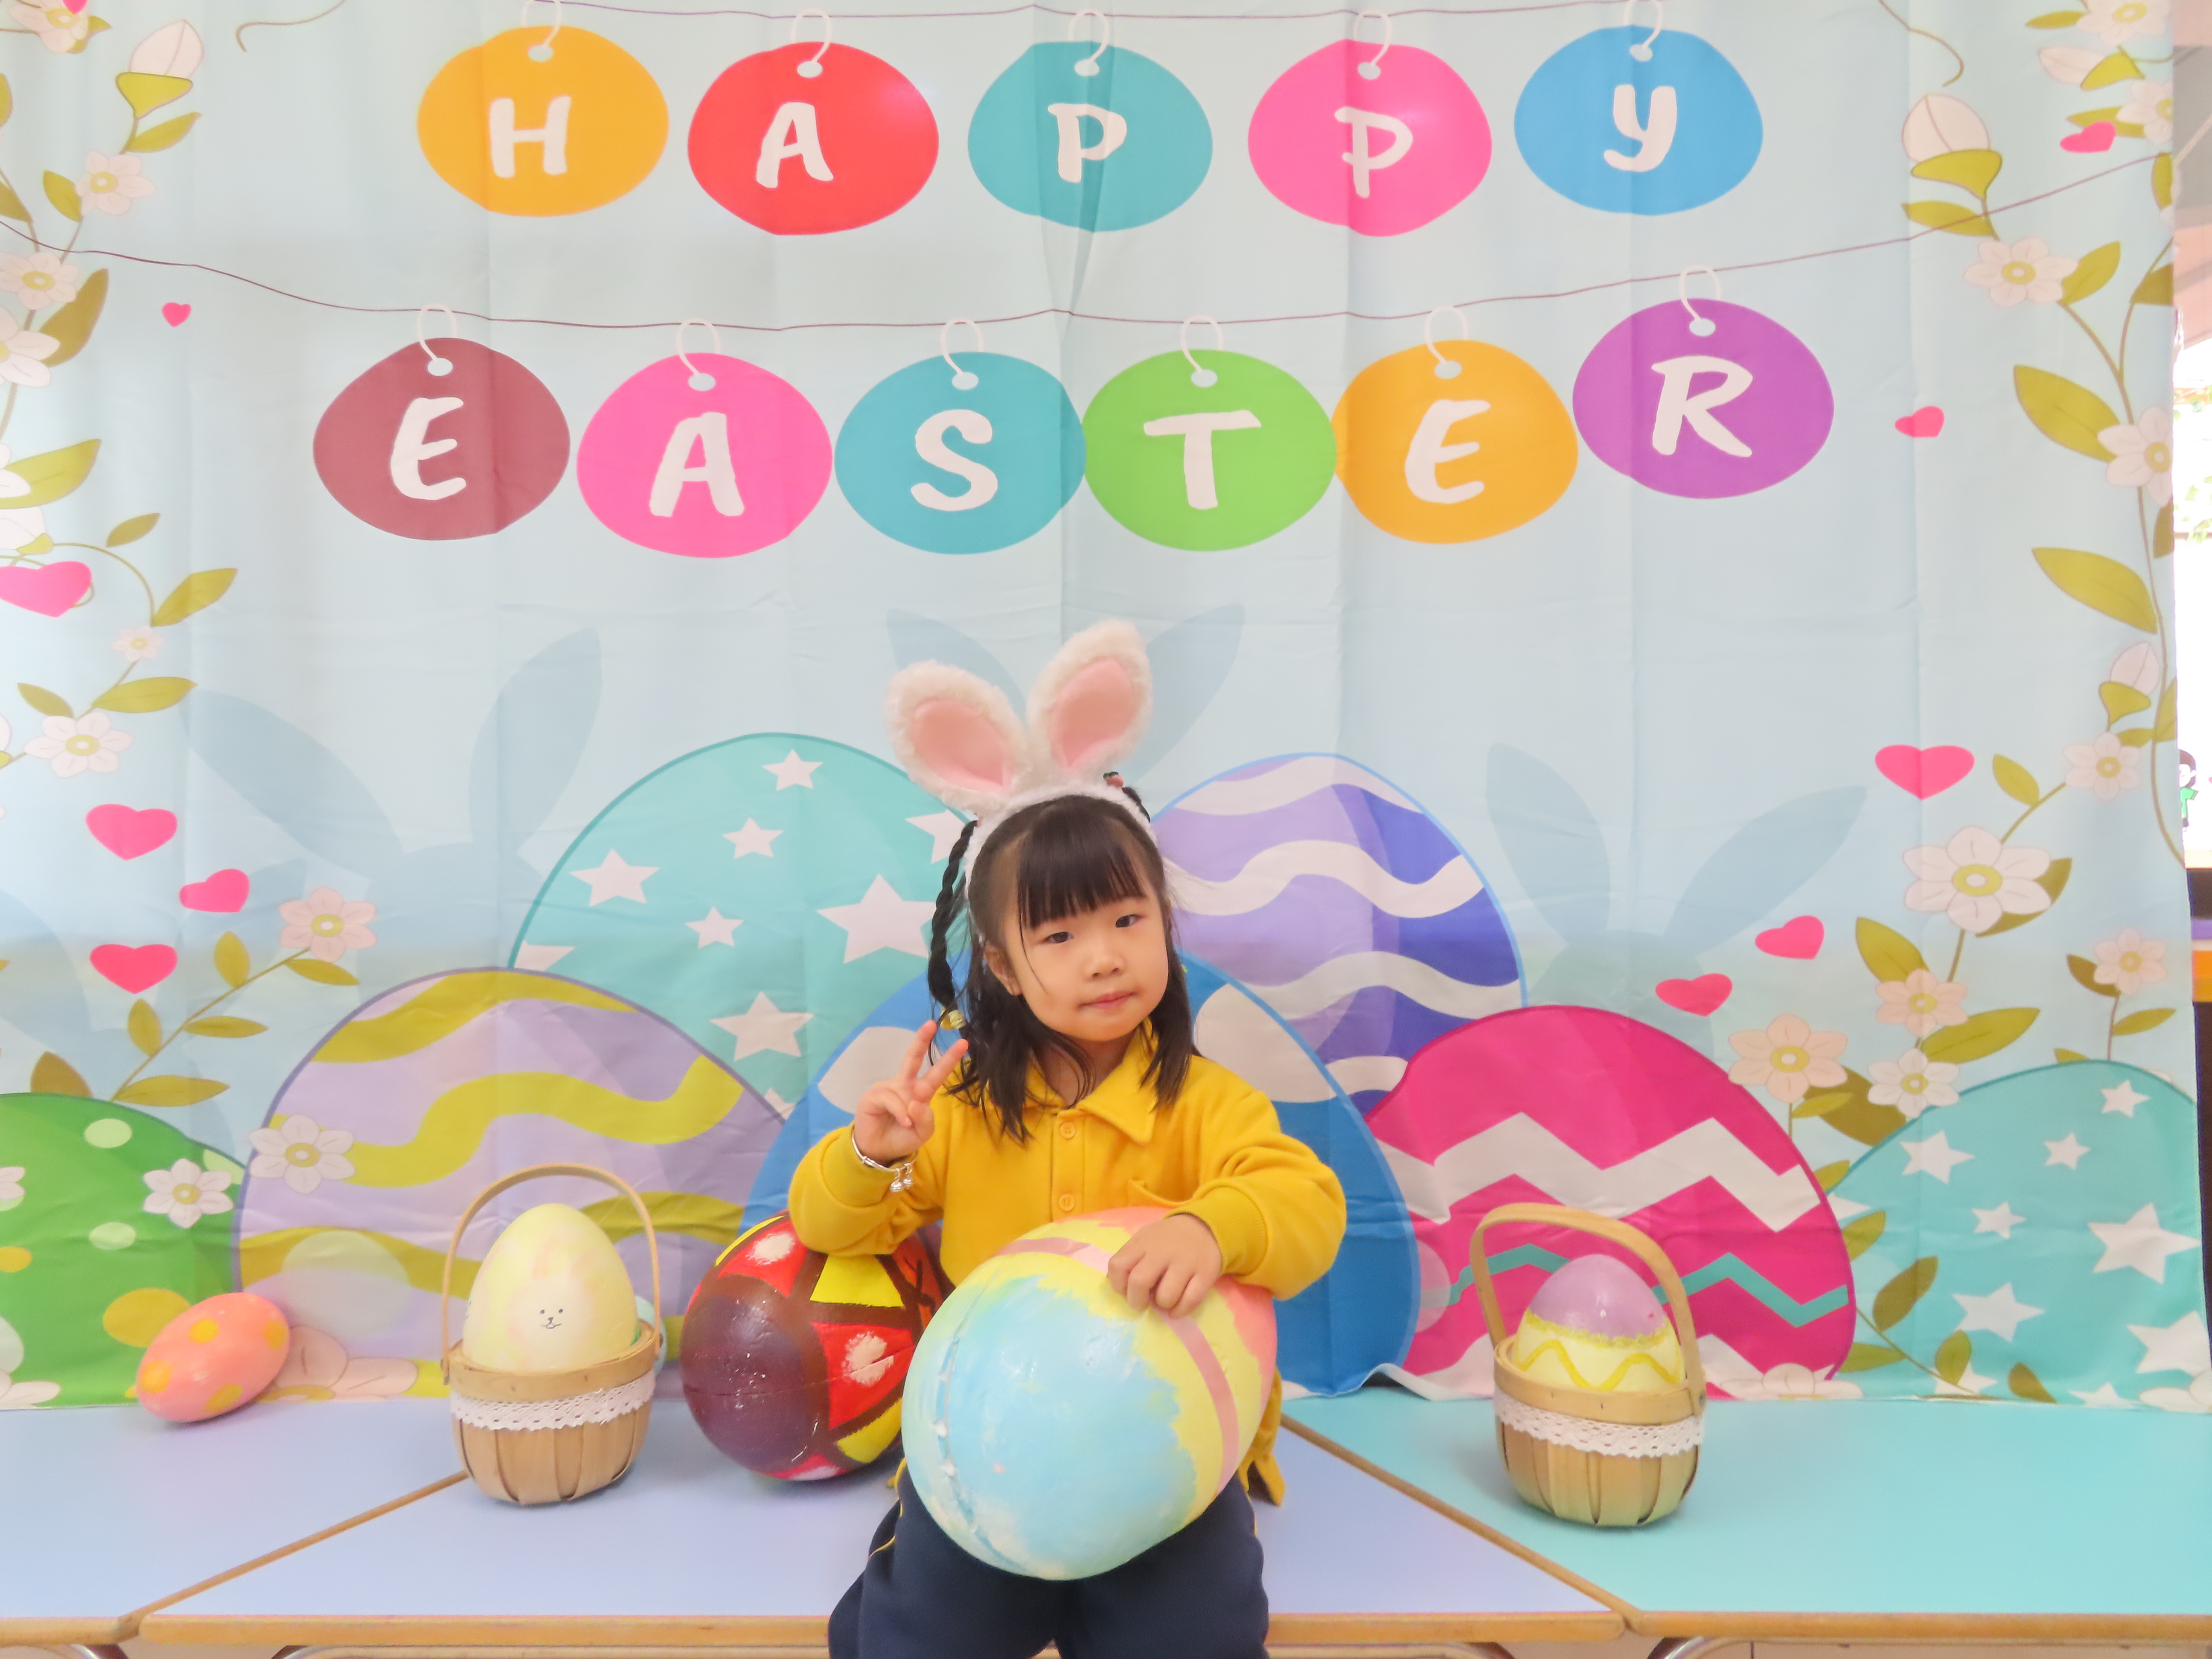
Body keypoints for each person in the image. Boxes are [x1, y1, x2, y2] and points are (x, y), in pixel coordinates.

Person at [787, 623, 1348, 1659]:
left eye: (1128, 921)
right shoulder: (960, 1113)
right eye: (1059, 935)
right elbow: (827, 1229)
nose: (1104, 958)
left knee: (1195, 1635)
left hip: (1164, 1448)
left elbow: (1308, 1208)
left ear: (1165, 925)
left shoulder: (1207, 1103)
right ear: (1003, 968)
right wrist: (873, 1154)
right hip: (990, 1442)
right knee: (925, 1634)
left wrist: (1214, 1229)